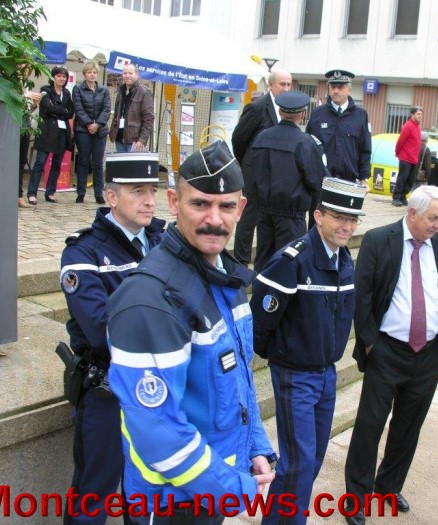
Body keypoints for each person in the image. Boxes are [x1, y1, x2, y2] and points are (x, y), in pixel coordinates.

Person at [107, 141, 275, 524]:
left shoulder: (225, 278)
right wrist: (235, 490)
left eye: (226, 206)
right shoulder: (150, 299)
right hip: (170, 505)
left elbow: (240, 380)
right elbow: (158, 432)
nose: (214, 219)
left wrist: (254, 446)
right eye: (200, 203)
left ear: (241, 209)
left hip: (209, 491)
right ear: (173, 202)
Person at [251, 178, 367, 525]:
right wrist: (283, 354)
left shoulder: (343, 259)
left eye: (352, 219)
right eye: (339, 217)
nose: (347, 226)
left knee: (312, 459)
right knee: (298, 464)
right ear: (318, 216)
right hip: (295, 374)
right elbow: (261, 319)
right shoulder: (294, 260)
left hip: (326, 373)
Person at [344, 185, 438, 525]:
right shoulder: (379, 240)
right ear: (412, 213)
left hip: (429, 353)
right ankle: (356, 497)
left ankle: (388, 488)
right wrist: (370, 344)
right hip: (387, 350)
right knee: (370, 424)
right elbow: (362, 296)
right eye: (432, 218)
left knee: (409, 426)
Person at [60, 152, 165, 525]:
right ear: (111, 196)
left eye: (153, 190)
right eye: (137, 191)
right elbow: (103, 330)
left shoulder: (164, 242)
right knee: (94, 495)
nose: (150, 200)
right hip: (109, 391)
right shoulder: (83, 252)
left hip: (157, 389)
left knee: (146, 496)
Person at [248, 90, 328, 273]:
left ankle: (261, 290)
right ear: (303, 114)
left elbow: (251, 172)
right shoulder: (305, 143)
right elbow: (317, 181)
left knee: (264, 261)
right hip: (291, 215)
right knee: (290, 263)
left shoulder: (261, 137)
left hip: (264, 211)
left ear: (280, 112)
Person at [231, 68, 293, 266]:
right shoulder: (257, 108)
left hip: (277, 176)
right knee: (248, 219)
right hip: (254, 174)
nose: (286, 88)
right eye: (282, 84)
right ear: (271, 85)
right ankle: (240, 262)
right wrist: (247, 163)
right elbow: (239, 139)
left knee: (267, 221)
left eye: (289, 84)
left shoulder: (289, 110)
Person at [306, 70, 371, 186]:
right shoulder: (317, 114)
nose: (335, 91)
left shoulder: (360, 115)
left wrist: (364, 178)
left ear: (349, 89)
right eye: (333, 87)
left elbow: (365, 148)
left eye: (340, 87)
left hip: (349, 181)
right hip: (321, 180)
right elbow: (308, 147)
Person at [26, 66, 74, 205]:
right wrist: (62, 110)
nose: (61, 78)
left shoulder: (67, 93)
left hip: (62, 132)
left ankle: (50, 192)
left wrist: (58, 110)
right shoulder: (45, 90)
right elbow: (48, 107)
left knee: (57, 164)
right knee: (40, 162)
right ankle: (32, 193)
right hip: (47, 132)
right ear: (53, 77)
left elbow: (71, 112)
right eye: (59, 76)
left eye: (64, 76)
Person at [72, 62, 111, 204]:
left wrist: (98, 124)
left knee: (98, 163)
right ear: (84, 74)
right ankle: (81, 193)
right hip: (83, 130)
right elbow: (78, 108)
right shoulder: (78, 89)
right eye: (89, 72)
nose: (92, 75)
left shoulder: (104, 90)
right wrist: (88, 124)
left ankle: (98, 193)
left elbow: (107, 109)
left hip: (100, 131)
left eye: (94, 72)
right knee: (83, 161)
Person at [108, 63, 154, 153]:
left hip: (135, 142)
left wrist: (142, 139)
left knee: (133, 163)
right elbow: (116, 115)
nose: (127, 76)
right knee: (121, 163)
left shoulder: (144, 92)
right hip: (119, 139)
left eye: (130, 73)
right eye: (125, 73)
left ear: (137, 74)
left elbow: (149, 118)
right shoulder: (120, 92)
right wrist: (112, 132)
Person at [392, 106, 424, 207]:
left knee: (411, 179)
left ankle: (403, 196)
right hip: (405, 157)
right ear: (412, 114)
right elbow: (401, 141)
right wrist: (397, 152)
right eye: (418, 114)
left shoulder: (418, 127)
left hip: (414, 158)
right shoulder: (408, 126)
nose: (420, 116)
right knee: (402, 178)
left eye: (421, 114)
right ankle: (396, 197)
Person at [18, 88, 41, 208]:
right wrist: (25, 96)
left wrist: (34, 105)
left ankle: (19, 196)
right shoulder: (13, 81)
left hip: (25, 127)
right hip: (12, 126)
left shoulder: (25, 85)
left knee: (21, 162)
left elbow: (27, 110)